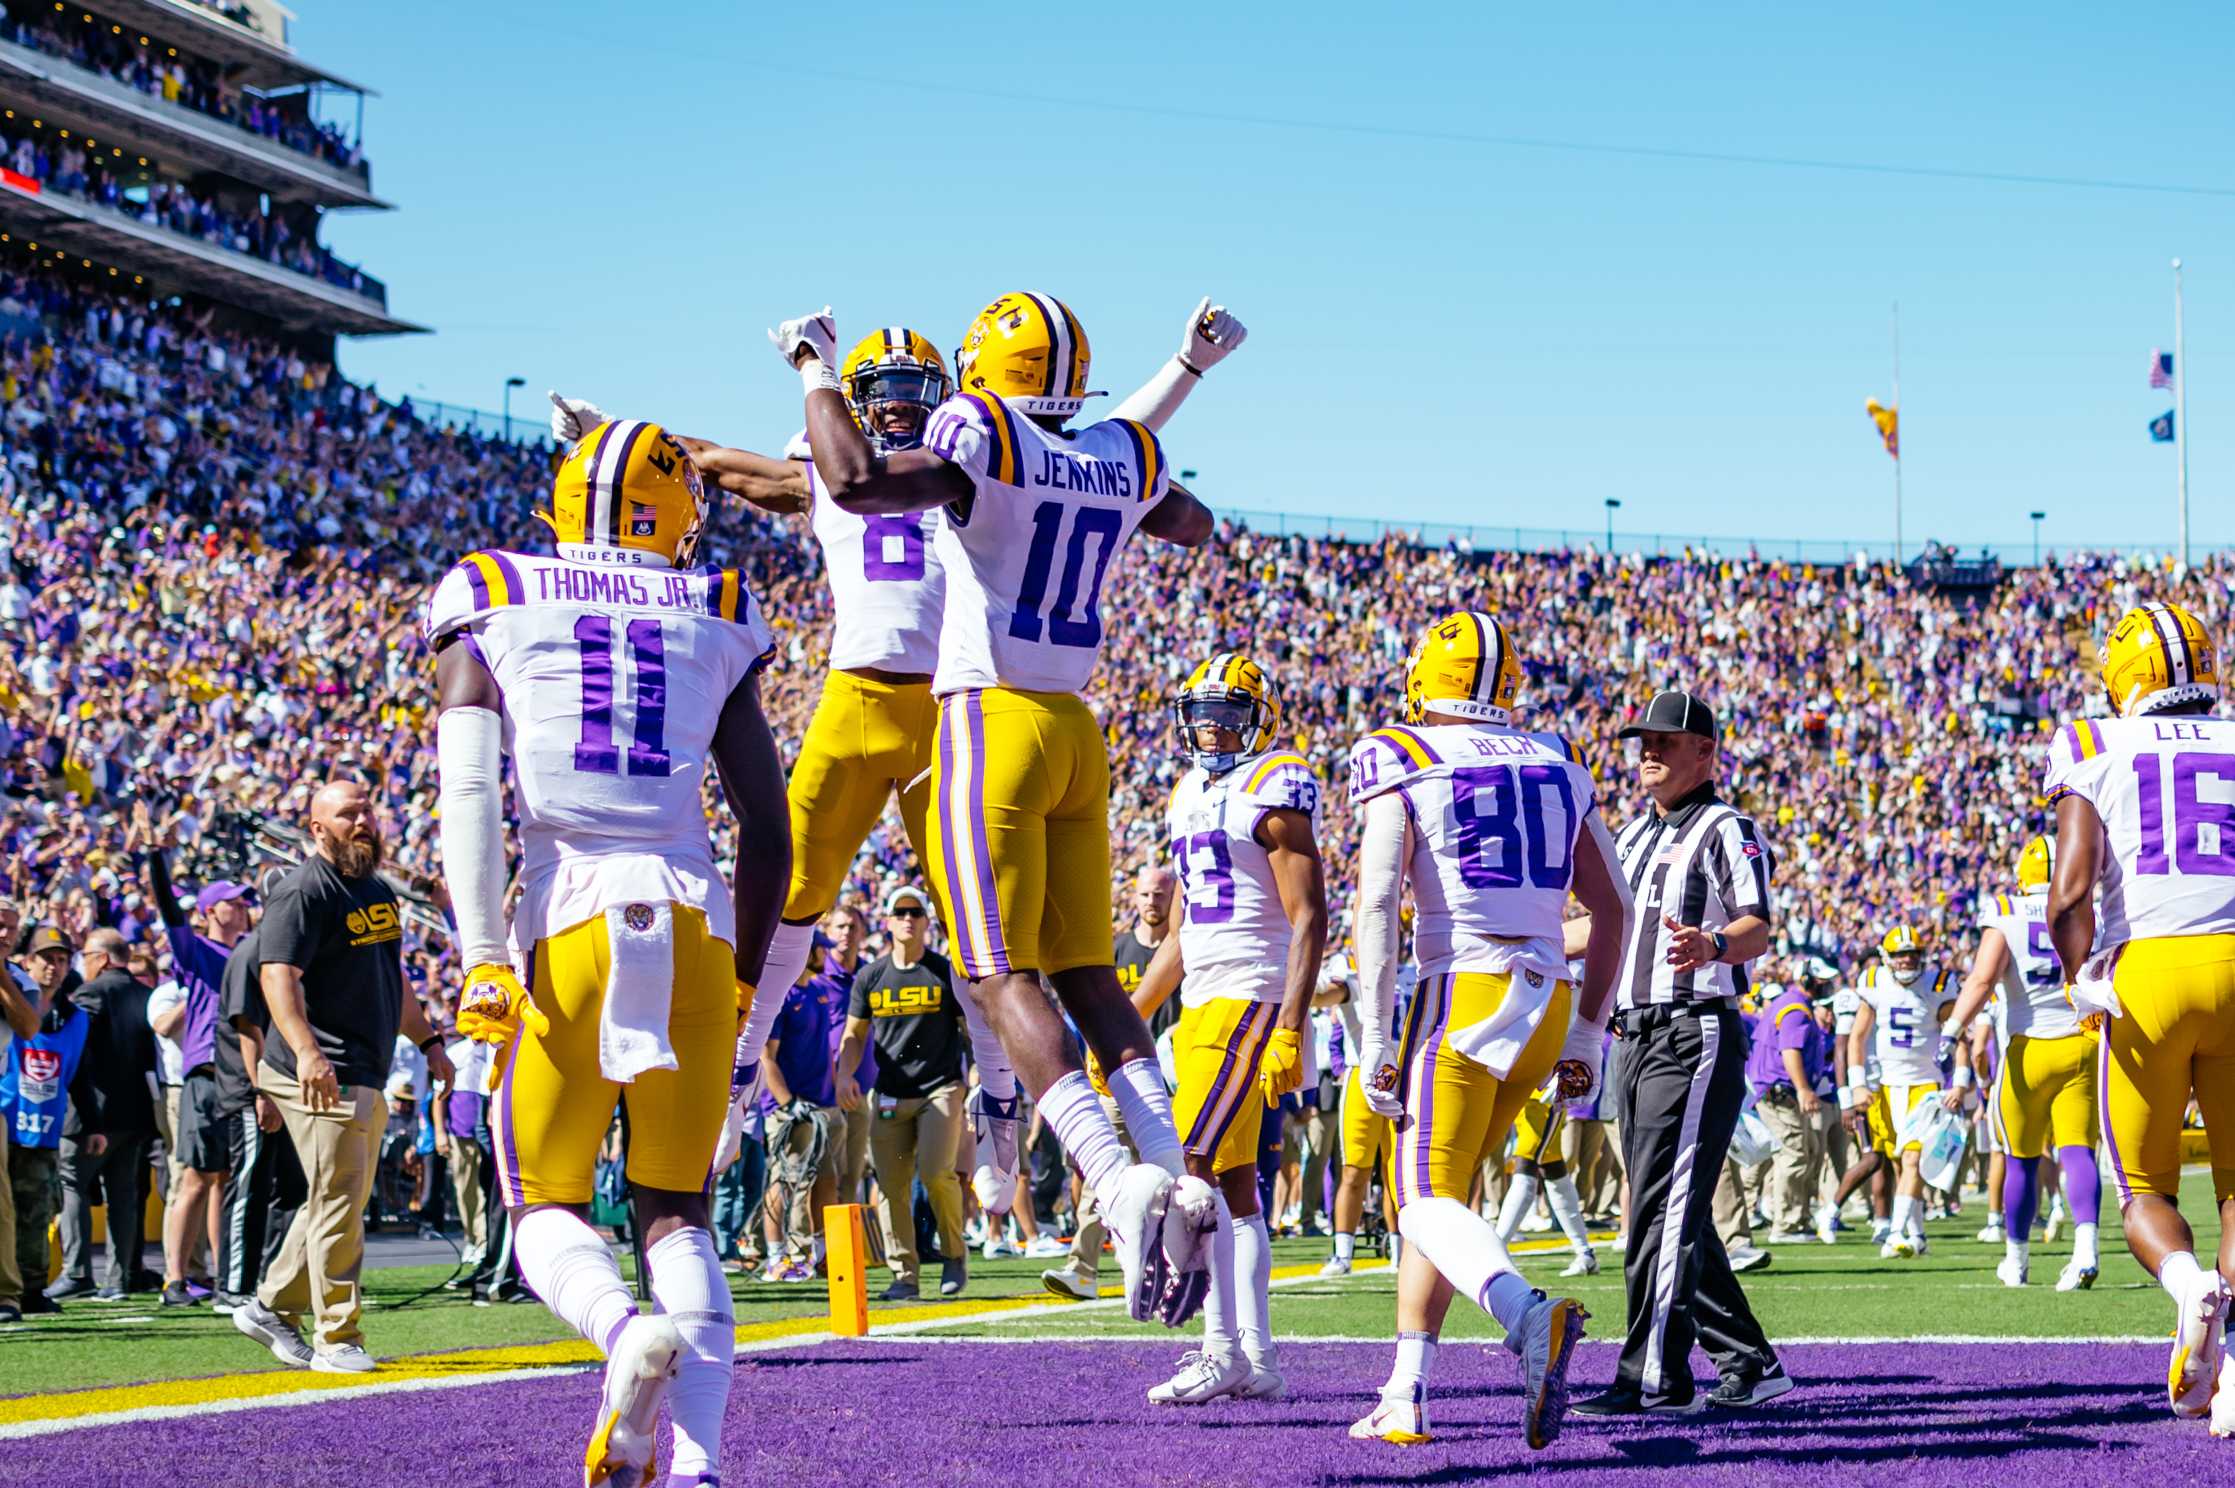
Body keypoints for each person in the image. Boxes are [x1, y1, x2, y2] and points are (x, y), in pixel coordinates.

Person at [779, 293, 1231, 1326]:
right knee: (1087, 971)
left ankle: (1118, 1189)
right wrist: (1182, 377)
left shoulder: (979, 432)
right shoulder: (1124, 450)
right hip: (1079, 728)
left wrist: (813, 368)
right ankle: (1172, 1166)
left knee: (994, 973)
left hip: (991, 718)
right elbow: (1191, 523)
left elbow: (852, 481)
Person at [424, 417, 790, 1484]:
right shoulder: (714, 603)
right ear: (675, 519)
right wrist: (738, 975)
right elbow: (768, 830)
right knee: (679, 1211)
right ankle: (697, 1462)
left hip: (567, 917)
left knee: (543, 1200)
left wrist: (486, 950)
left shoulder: (494, 585)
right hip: (693, 912)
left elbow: (466, 788)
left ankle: (620, 1329)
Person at [1344, 612, 1632, 1450]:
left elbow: (1373, 905)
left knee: (1418, 1198)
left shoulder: (1404, 752)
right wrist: (1585, 1034)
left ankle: (1524, 1316)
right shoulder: (1554, 758)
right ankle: (1406, 1392)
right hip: (1546, 1000)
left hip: (1461, 991)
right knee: (1446, 1205)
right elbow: (1611, 904)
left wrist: (1372, 1032)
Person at [2039, 603, 2235, 1430]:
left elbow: (2069, 893)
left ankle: (2193, 1290)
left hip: (2148, 970)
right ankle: (2230, 1375)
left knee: (2144, 1189)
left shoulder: (2092, 743)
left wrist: (2076, 974)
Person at [1573, 688, 1788, 1418]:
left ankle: (1654, 1378)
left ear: (1705, 751)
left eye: (1666, 741)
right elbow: (1598, 930)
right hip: (1631, 1035)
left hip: (1692, 1028)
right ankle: (1748, 1362)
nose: (1649, 753)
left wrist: (1716, 944)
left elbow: (1760, 926)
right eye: (1643, 742)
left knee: (1659, 1215)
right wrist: (1506, 941)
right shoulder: (1630, 836)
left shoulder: (1727, 828)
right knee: (1668, 1213)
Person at [1126, 653, 1327, 1404]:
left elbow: (1310, 913)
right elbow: (1182, 932)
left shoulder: (1276, 782)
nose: (1212, 726)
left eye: (1230, 712)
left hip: (1253, 995)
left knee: (1192, 1174)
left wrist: (1290, 1023)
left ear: (1260, 718)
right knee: (1236, 1192)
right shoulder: (1184, 792)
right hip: (1204, 1002)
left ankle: (1217, 1351)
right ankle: (1258, 1357)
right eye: (1202, 711)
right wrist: (1133, 1015)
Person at [227, 780, 453, 1373]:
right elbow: (278, 978)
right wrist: (307, 1054)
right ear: (317, 827)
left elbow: (391, 976)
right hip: (321, 1069)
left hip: (363, 1070)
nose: (364, 821)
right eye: (348, 813)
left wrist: (429, 1040)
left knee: (336, 1199)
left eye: (368, 811)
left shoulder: (376, 890)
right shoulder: (303, 891)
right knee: (339, 1204)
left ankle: (270, 1306)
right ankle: (337, 1336)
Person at [1944, 835, 2102, 1291]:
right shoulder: (2091, 908)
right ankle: (2086, 1250)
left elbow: (1982, 978)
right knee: (2077, 1152)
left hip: (2027, 1049)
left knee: (2021, 1161)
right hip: (2080, 1044)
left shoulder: (2007, 911)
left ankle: (2016, 1259)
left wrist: (1954, 1029)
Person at [838, 884, 970, 1300]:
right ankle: (904, 1275)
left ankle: (953, 1253)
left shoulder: (945, 971)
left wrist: (983, 1072)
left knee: (935, 1172)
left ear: (927, 922)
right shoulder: (871, 976)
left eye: (916, 912)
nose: (908, 919)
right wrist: (844, 1074)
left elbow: (972, 1029)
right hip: (891, 1093)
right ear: (889, 921)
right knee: (891, 1185)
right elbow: (854, 1034)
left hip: (940, 1088)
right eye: (901, 912)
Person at [146, 832, 254, 1308]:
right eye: (232, 903)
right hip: (207, 1074)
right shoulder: (195, 951)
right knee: (194, 1177)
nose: (242, 907)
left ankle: (225, 1275)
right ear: (210, 912)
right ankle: (173, 1278)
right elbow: (169, 910)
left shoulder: (250, 950)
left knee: (225, 1179)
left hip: (244, 1078)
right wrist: (156, 858)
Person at [51, 927, 155, 1301]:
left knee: (72, 1185)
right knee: (124, 1196)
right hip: (137, 1112)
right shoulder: (147, 993)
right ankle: (119, 1278)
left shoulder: (90, 995)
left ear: (102, 958)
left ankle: (77, 1272)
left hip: (93, 1112)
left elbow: (78, 1049)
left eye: (86, 957)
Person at [1844, 926, 1958, 1260]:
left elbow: (1956, 1033)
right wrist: (1857, 1083)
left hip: (1925, 1085)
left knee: (1912, 1160)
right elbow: (1857, 1038)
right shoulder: (1873, 982)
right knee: (1900, 1165)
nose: (1907, 960)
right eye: (1900, 954)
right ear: (1887, 958)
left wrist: (1959, 1080)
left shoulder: (1938, 984)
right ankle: (1918, 1234)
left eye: (1913, 954)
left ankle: (1894, 1234)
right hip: (1887, 1086)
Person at [211, 926, 301, 1314]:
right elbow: (247, 1027)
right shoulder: (252, 952)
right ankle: (232, 1286)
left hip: (284, 1089)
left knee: (291, 1188)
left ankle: (272, 1279)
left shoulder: (284, 949)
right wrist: (262, 1090)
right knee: (249, 1186)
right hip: (254, 1093)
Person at [4, 925, 85, 1315]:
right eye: (45, 958)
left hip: (46, 1121)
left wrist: (92, 1124)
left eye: (61, 959)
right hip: (8, 1112)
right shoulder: (13, 999)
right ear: (27, 962)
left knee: (38, 1208)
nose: (53, 967)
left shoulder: (76, 1016)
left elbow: (81, 1074)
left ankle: (32, 1287)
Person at [1747, 973, 1834, 1243]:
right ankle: (1785, 1223)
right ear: (1808, 979)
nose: (1827, 985)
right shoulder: (1795, 1008)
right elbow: (1790, 1050)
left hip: (1780, 1089)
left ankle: (1796, 1216)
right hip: (1780, 1091)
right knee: (1793, 1154)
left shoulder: (1793, 1003)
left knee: (1808, 1150)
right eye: (1822, 980)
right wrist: (1803, 1088)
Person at [1119, 866, 1182, 1039]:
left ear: (1172, 898)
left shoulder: (1185, 949)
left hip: (1175, 1050)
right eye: (1145, 895)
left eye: (1159, 894)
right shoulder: (1116, 950)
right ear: (1135, 898)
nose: (1152, 901)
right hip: (1132, 1053)